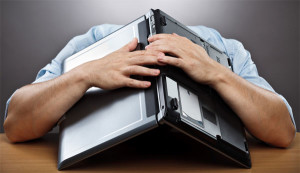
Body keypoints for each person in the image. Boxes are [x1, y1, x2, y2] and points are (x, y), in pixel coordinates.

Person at [3, 24, 296, 147]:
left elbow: (283, 132)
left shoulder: (225, 48)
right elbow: (15, 125)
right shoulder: (94, 41)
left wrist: (215, 72)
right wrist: (86, 74)